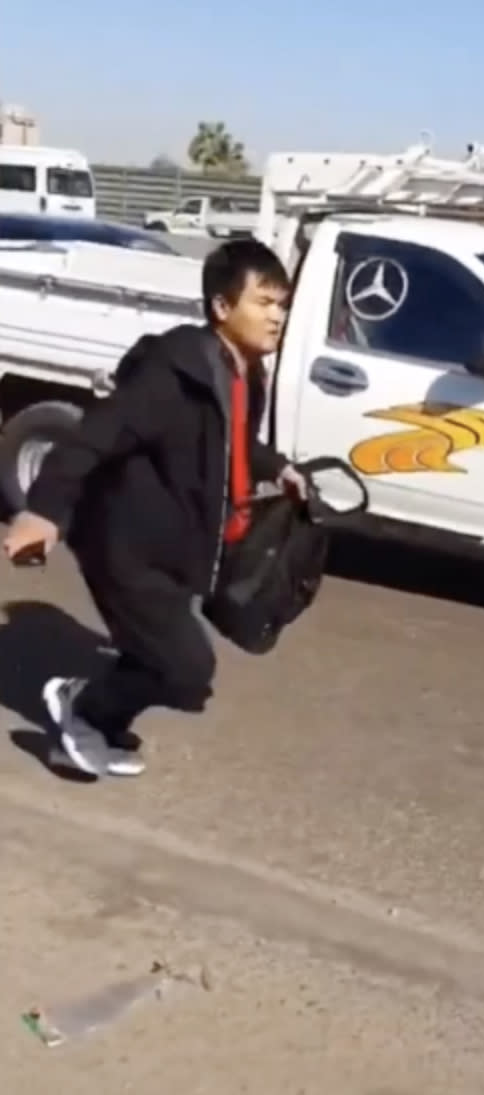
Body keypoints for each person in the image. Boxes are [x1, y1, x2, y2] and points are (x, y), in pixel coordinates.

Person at [3, 237, 306, 779]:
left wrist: (276, 467)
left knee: (161, 659)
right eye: (263, 302)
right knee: (188, 671)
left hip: (179, 549)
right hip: (127, 547)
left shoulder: (244, 374)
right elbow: (95, 435)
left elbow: (232, 442)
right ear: (221, 307)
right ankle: (83, 708)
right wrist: (44, 510)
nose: (276, 316)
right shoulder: (176, 374)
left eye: (281, 304)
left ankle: (86, 722)